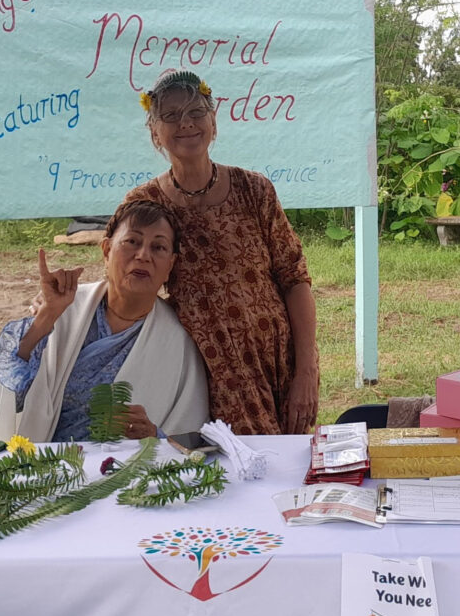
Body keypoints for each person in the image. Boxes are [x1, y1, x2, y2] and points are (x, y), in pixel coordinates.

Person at [121, 69, 319, 436]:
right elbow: (122, 276)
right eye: (171, 115)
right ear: (154, 132)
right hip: (207, 367)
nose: (186, 124)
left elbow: (294, 278)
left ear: (214, 121)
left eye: (197, 112)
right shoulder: (144, 204)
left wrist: (306, 370)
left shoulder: (254, 190)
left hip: (277, 361)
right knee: (227, 474)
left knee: (289, 470)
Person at [0, 200, 209, 442]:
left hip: (131, 474)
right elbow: (1, 396)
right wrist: (46, 316)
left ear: (170, 265)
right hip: (44, 468)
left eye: (158, 247)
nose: (143, 255)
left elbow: (190, 438)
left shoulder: (178, 341)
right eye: (132, 242)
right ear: (107, 251)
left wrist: (153, 435)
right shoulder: (66, 307)